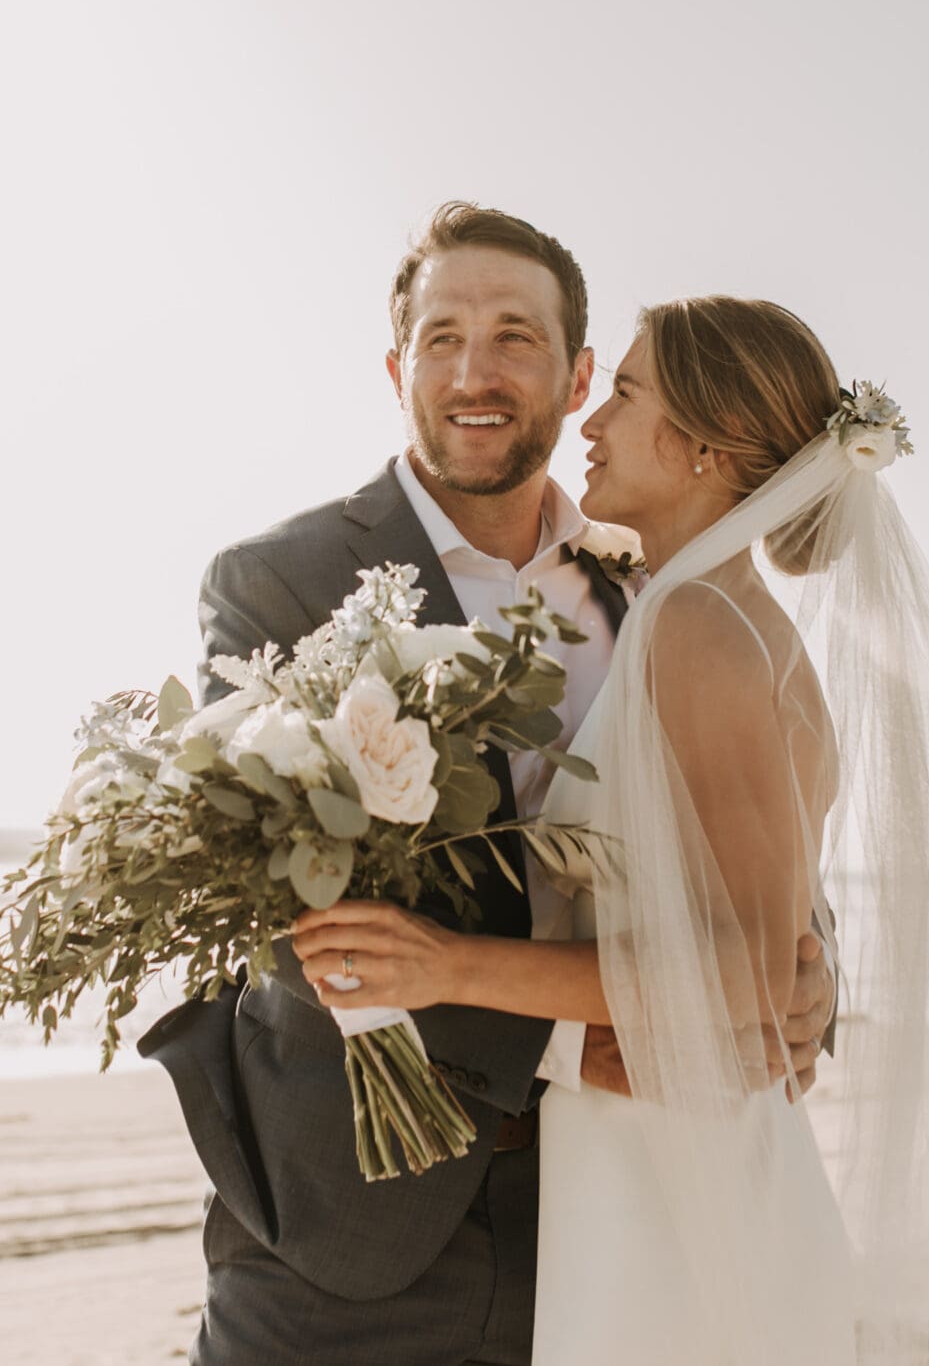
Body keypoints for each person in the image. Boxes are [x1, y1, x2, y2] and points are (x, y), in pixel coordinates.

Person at [138, 205, 838, 1366]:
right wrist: (566, 1042)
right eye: (442, 335)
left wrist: (806, 980)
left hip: (611, 1212)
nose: (475, 369)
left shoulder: (655, 592)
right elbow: (278, 915)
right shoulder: (278, 582)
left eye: (516, 336)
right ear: (396, 366)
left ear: (573, 380)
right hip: (355, 1223)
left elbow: (738, 846)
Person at [290, 297, 929, 1363]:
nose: (590, 425)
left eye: (626, 395)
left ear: (700, 451)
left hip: (676, 1185)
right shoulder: (709, 615)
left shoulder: (697, 625)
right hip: (681, 1157)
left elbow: (745, 973)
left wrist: (448, 964)